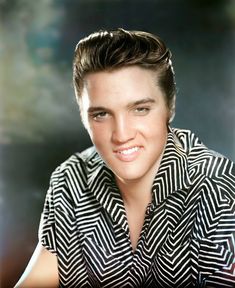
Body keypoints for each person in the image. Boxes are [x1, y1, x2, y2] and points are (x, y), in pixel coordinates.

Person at [15, 28, 235, 288]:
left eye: (140, 109)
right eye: (101, 115)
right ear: (83, 116)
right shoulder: (71, 180)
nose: (121, 135)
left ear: (170, 107)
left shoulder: (219, 190)